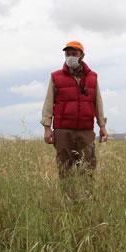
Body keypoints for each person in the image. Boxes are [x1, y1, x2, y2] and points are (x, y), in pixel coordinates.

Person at [41, 41, 109, 180]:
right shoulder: (56, 77)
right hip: (63, 131)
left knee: (88, 168)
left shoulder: (92, 77)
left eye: (74, 53)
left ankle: (86, 199)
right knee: (65, 170)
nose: (70, 56)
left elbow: (98, 103)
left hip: (85, 131)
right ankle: (67, 201)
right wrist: (47, 128)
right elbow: (48, 102)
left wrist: (102, 126)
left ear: (81, 56)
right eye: (68, 54)